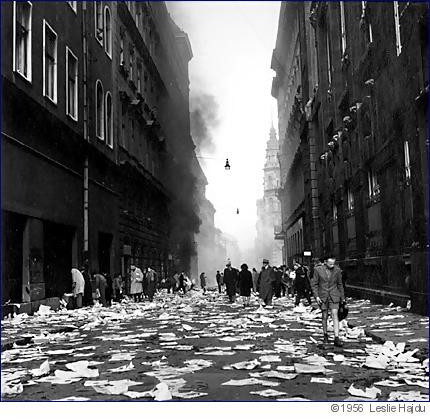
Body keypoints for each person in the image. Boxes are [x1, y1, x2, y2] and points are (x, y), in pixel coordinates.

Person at [310, 255, 345, 347]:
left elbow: (340, 284)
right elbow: (314, 284)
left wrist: (342, 297)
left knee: (335, 314)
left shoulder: (337, 270)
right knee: (324, 315)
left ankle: (336, 337)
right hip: (323, 296)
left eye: (333, 263)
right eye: (330, 264)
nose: (332, 265)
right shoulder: (318, 270)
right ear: (325, 262)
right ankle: (325, 335)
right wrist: (316, 296)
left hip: (334, 295)